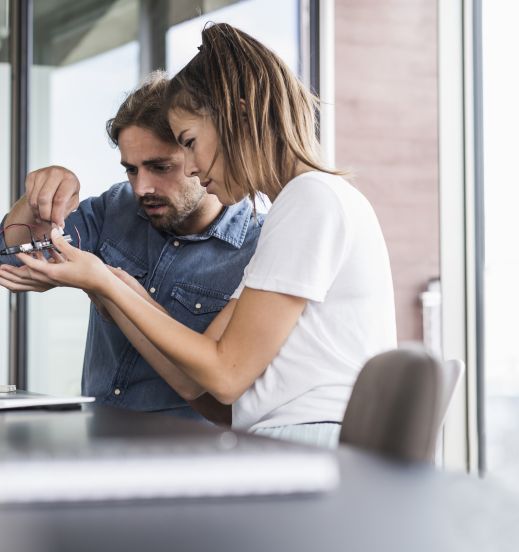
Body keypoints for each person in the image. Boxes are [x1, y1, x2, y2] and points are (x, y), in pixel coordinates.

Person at [13, 23, 397, 448]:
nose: (192, 166)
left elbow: (226, 377)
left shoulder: (310, 200)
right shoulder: (297, 210)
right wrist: (112, 286)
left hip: (304, 446)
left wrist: (103, 280)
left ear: (240, 114)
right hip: (277, 443)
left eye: (190, 142)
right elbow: (197, 384)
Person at [0, 71, 262, 423]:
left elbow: (223, 392)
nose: (141, 188)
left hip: (191, 456)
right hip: (95, 436)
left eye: (159, 167)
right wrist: (37, 202)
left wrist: (106, 288)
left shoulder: (257, 249)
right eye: (131, 170)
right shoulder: (116, 207)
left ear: (199, 151)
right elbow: (16, 262)